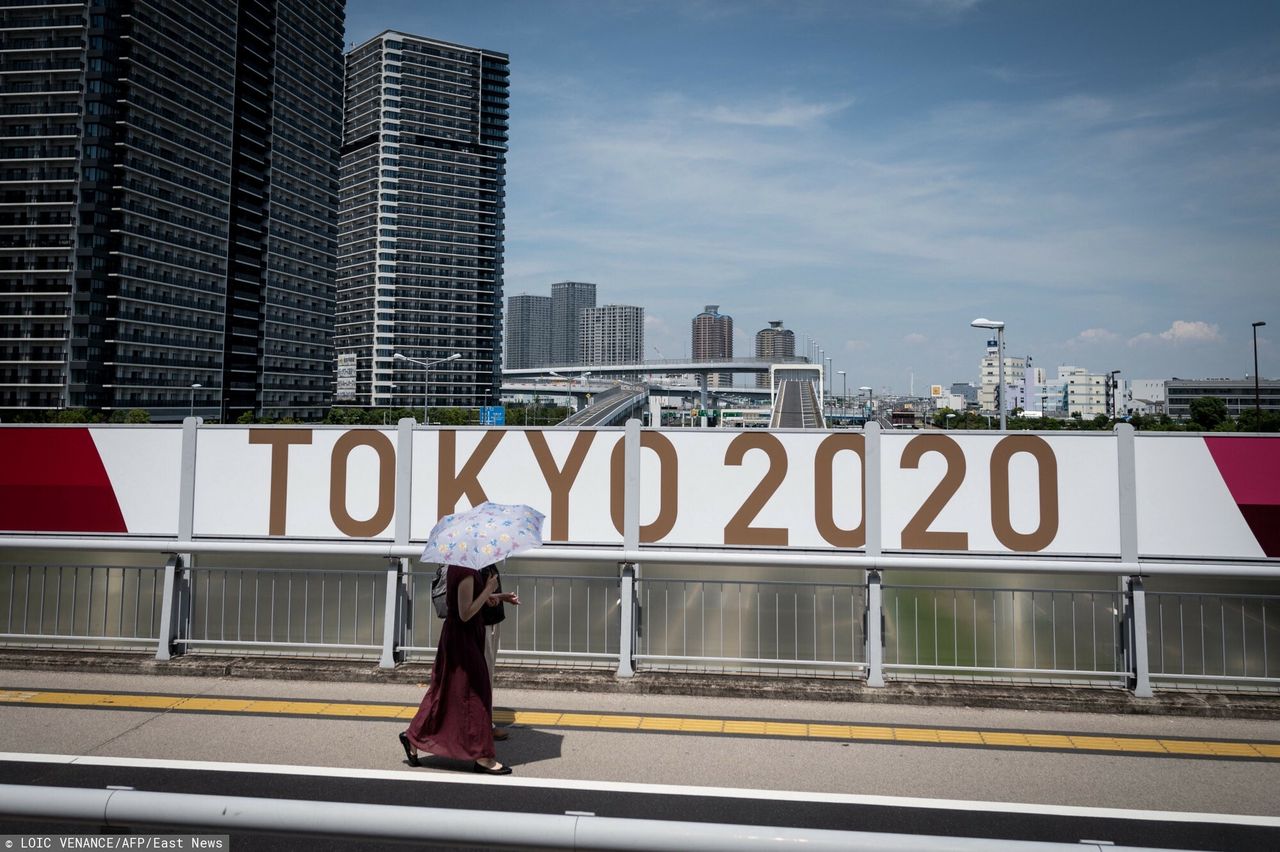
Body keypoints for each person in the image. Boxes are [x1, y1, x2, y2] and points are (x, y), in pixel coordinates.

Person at [399, 563, 516, 775]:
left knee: (443, 692)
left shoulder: (462, 567)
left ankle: (413, 736)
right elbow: (465, 613)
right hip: (463, 640)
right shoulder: (466, 571)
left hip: (461, 638)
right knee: (477, 693)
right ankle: (483, 757)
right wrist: (489, 589)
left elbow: (470, 601)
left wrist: (498, 597)